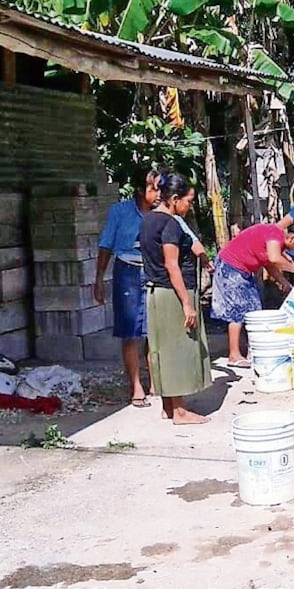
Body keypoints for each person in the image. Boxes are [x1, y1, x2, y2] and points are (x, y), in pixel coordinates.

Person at [139, 174, 212, 424]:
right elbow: (172, 265)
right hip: (172, 294)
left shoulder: (148, 220)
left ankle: (168, 407)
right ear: (174, 199)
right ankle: (180, 412)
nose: (189, 206)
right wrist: (188, 303)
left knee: (162, 349)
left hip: (156, 292)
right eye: (188, 201)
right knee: (178, 350)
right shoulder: (170, 224)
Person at [94, 168, 158, 408]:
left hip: (154, 271)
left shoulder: (161, 213)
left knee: (154, 331)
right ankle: (136, 386)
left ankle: (155, 383)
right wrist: (99, 279)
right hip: (127, 272)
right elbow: (105, 245)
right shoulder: (120, 211)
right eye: (154, 189)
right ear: (141, 190)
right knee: (130, 331)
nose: (159, 193)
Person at [211, 218, 294, 367]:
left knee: (254, 309)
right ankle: (234, 355)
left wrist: (284, 282)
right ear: (291, 237)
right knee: (238, 310)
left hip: (243, 270)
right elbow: (274, 258)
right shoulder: (274, 234)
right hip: (231, 266)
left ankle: (254, 352)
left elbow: (269, 263)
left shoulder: (277, 242)